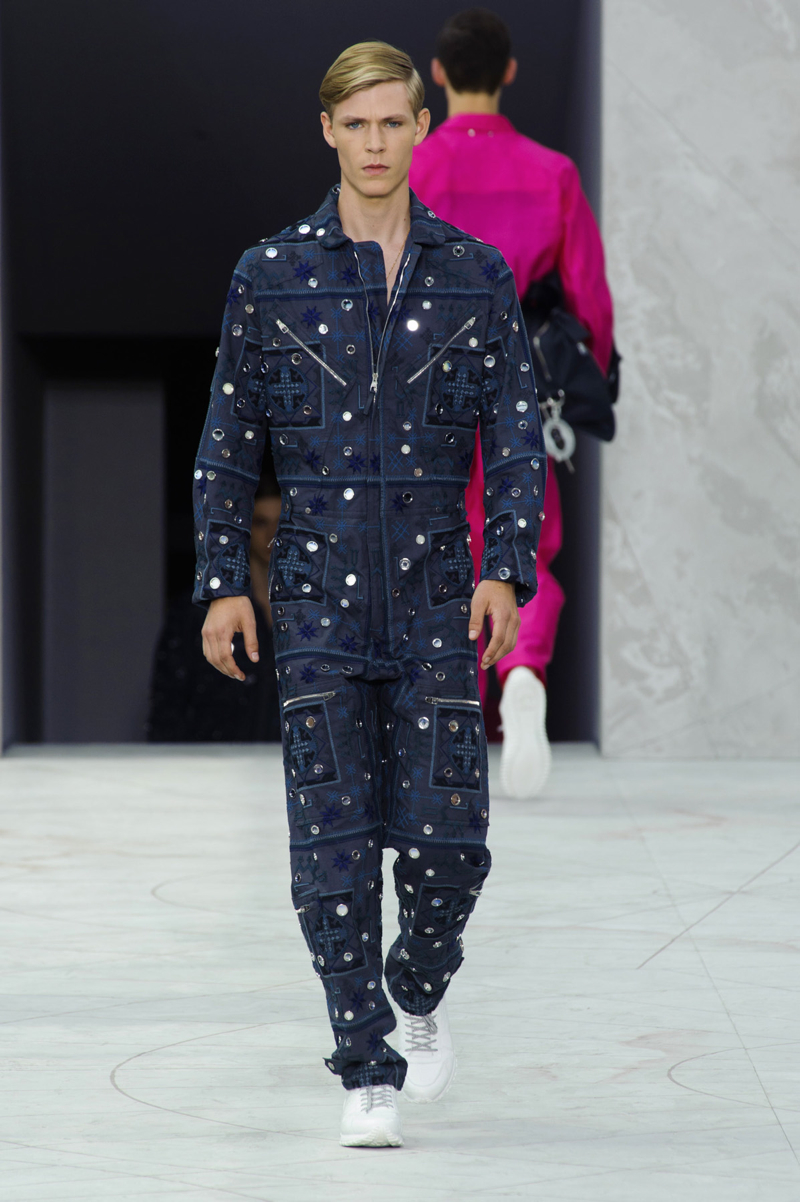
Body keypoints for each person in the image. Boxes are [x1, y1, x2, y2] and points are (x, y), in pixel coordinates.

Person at [193, 40, 544, 1147]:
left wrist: (505, 569)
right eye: (357, 125)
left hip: (438, 590)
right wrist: (223, 583)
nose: (377, 143)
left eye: (394, 122)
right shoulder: (270, 273)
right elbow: (228, 441)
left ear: (420, 126)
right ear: (328, 131)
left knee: (451, 848)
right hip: (314, 598)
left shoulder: (475, 274)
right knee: (331, 847)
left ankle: (416, 982)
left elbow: (516, 436)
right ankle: (364, 1067)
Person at [410, 8, 614, 798]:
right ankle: (522, 669)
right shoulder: (551, 172)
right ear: (510, 73)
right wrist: (597, 374)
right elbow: (588, 294)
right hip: (518, 377)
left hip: (426, 382)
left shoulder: (412, 166)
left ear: (437, 73)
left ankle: (455, 711)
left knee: (434, 546)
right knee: (525, 541)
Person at [148, 465, 282, 742]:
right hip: (213, 756)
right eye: (261, 522)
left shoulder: (312, 610)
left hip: (285, 758)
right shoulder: (197, 610)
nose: (272, 534)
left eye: (281, 523)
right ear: (244, 527)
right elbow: (169, 699)